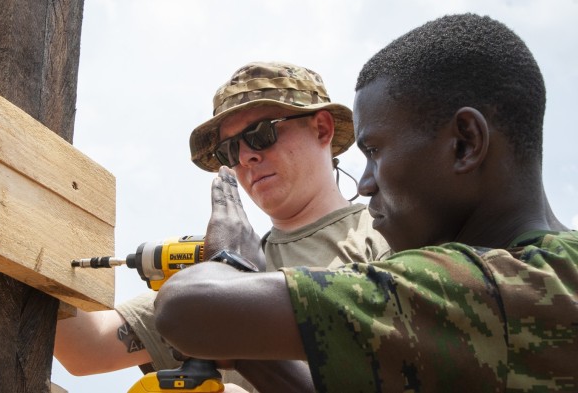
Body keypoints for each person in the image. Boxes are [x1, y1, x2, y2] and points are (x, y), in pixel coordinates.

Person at [154, 13, 577, 393]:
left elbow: (186, 309)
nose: (368, 183)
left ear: (465, 144)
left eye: (374, 151)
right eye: (231, 152)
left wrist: (229, 259)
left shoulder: (471, 289)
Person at [54, 62, 390, 388]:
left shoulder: (385, 235)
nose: (246, 157)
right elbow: (87, 348)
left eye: (261, 134)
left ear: (322, 129)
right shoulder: (222, 268)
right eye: (230, 149)